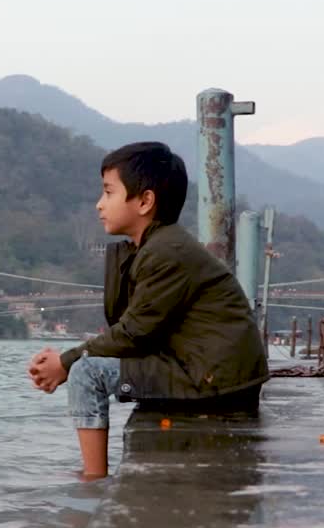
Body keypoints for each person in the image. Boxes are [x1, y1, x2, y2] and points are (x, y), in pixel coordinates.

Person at [27, 142, 269, 480]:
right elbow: (132, 327)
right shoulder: (155, 247)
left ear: (144, 201)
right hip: (218, 376)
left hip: (216, 383)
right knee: (89, 364)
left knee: (86, 373)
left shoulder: (166, 252)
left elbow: (133, 334)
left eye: (108, 192)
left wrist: (66, 362)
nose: (99, 205)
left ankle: (92, 478)